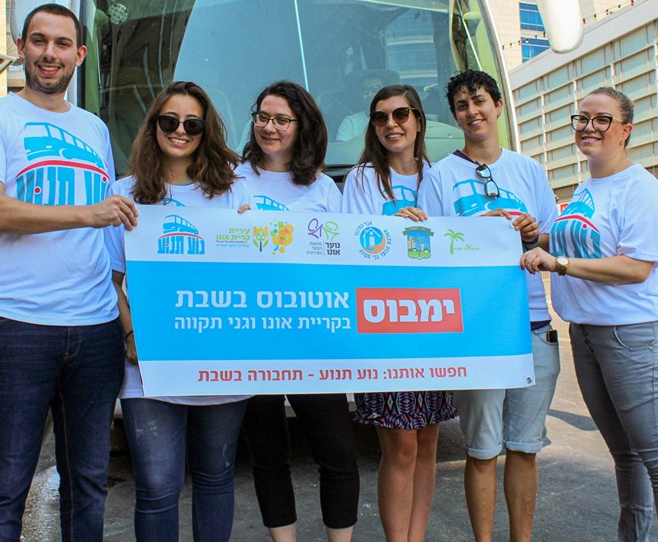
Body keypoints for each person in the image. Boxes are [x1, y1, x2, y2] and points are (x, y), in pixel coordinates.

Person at [0, 3, 137, 540]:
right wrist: (87, 213)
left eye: (60, 44)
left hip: (94, 328)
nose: (48, 53)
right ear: (22, 48)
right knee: (7, 484)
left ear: (78, 55)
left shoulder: (95, 129)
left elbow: (108, 230)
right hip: (11, 326)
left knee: (90, 483)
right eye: (38, 41)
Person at [520, 87, 658, 542]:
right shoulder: (585, 187)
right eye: (582, 119)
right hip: (587, 333)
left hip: (634, 334)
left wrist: (557, 264)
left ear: (625, 131)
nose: (589, 128)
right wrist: (525, 234)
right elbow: (562, 244)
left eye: (602, 120)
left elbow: (636, 267)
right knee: (626, 455)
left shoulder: (642, 188)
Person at [105, 81, 251, 542]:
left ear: (206, 131)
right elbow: (110, 281)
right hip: (149, 364)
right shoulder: (124, 193)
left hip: (221, 359)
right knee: (155, 488)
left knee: (214, 479)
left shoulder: (232, 192)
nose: (180, 131)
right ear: (155, 127)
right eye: (170, 121)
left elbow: (254, 273)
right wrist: (131, 338)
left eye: (192, 123)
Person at [419, 69, 561, 542]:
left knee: (524, 448)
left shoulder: (529, 171)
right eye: (461, 106)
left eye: (479, 101)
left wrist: (529, 233)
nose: (471, 111)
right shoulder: (440, 176)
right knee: (481, 451)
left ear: (498, 106)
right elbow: (430, 253)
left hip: (534, 324)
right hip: (476, 329)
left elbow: (550, 240)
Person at [237, 80, 359, 542]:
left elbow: (346, 261)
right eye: (263, 117)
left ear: (301, 126)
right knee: (268, 454)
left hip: (314, 339)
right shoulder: (231, 178)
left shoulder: (326, 187)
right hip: (255, 334)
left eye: (281, 120)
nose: (269, 127)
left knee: (338, 453)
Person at [341, 84, 457, 542]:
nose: (392, 124)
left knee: (428, 441)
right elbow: (352, 249)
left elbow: (456, 242)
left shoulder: (439, 176)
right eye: (381, 117)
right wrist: (391, 227)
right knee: (400, 445)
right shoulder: (362, 178)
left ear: (419, 121)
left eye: (401, 114)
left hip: (434, 326)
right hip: (384, 329)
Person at [335, 69, 401, 142]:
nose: (369, 94)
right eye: (365, 90)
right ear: (360, 95)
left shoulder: (398, 118)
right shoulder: (350, 123)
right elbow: (342, 150)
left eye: (374, 89)